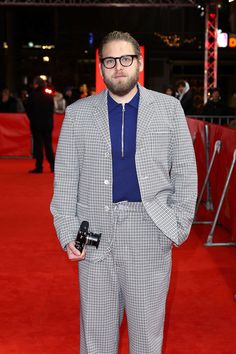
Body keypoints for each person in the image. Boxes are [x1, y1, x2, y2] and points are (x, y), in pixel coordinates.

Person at [50, 31, 197, 354]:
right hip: (93, 236)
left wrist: (179, 224)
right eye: (110, 61)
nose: (119, 67)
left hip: (149, 230)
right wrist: (67, 233)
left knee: (146, 338)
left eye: (126, 59)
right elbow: (64, 182)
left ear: (139, 63)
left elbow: (186, 172)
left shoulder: (169, 109)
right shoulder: (78, 114)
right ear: (101, 67)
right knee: (96, 340)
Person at [26, 76, 55, 173]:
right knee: (48, 145)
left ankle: (39, 167)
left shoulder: (32, 95)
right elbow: (51, 110)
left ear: (36, 84)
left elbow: (28, 110)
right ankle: (53, 166)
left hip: (36, 124)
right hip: (47, 124)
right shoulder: (48, 95)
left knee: (38, 146)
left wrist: (33, 119)